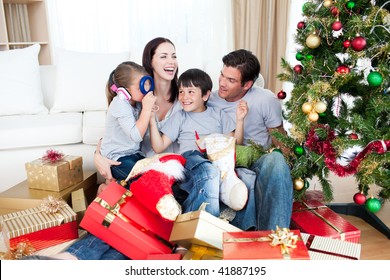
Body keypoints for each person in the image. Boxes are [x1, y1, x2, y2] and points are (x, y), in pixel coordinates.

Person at [207, 49, 293, 230]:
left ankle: (277, 237)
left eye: (231, 80)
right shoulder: (210, 99)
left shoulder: (265, 99)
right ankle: (248, 241)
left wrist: (291, 166)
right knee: (243, 177)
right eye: (222, 75)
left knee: (276, 160)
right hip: (226, 162)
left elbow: (280, 140)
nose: (222, 83)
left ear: (247, 84)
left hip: (258, 159)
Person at [149, 68, 248, 217]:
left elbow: (235, 144)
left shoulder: (218, 115)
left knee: (245, 179)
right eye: (181, 91)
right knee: (209, 171)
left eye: (190, 92)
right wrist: (151, 119)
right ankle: (202, 227)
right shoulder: (180, 117)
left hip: (216, 159)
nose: (184, 97)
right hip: (191, 159)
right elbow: (158, 147)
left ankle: (245, 230)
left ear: (206, 95)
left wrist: (240, 120)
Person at [94, 37, 182, 188]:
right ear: (150, 62)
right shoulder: (136, 99)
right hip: (143, 168)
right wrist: (97, 157)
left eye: (174, 56)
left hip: (171, 168)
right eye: (163, 56)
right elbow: (113, 135)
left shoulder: (185, 97)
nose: (171, 61)